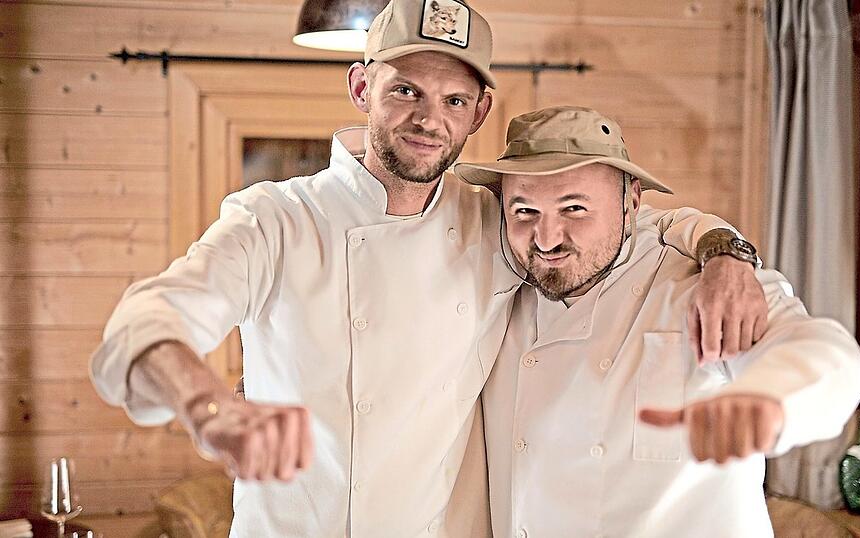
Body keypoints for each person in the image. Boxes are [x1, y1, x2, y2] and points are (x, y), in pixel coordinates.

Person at [89, 2, 767, 537]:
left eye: (452, 100)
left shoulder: (494, 221)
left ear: (479, 112)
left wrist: (725, 250)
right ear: (362, 86)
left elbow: (627, 226)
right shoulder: (275, 220)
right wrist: (214, 410)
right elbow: (143, 321)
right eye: (406, 90)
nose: (428, 119)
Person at [454, 106, 860, 538]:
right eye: (524, 211)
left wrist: (771, 399)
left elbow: (829, 353)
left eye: (574, 208)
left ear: (631, 202)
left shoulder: (699, 283)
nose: (547, 238)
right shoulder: (506, 287)